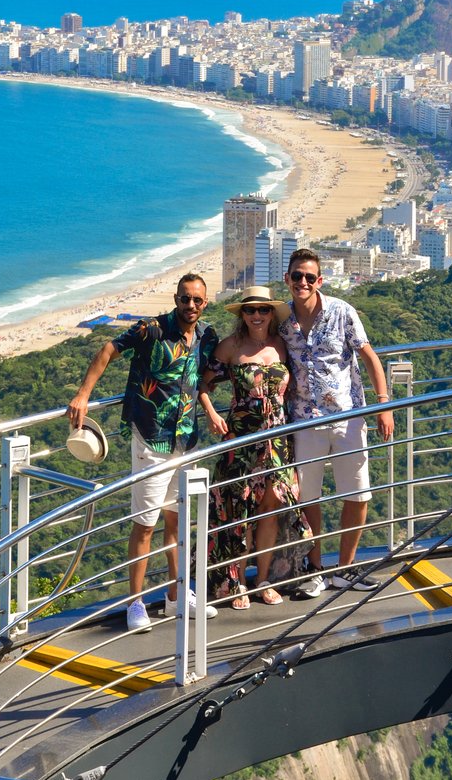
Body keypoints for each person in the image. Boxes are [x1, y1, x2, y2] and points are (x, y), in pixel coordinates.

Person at [67, 272, 219, 633]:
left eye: (197, 300)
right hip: (151, 440)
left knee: (176, 523)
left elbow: (201, 380)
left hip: (185, 440)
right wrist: (83, 394)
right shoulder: (151, 329)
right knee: (144, 525)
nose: (191, 306)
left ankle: (176, 595)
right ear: (176, 298)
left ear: (205, 302)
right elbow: (108, 350)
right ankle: (134, 602)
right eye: (185, 299)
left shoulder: (205, 337)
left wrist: (212, 410)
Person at [279, 248, 394, 595]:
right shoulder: (281, 321)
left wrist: (384, 404)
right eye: (297, 276)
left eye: (309, 277)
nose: (303, 282)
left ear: (319, 281)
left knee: (358, 494)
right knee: (308, 498)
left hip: (348, 416)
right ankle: (315, 569)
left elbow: (368, 356)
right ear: (287, 279)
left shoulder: (342, 311)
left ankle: (345, 568)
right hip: (304, 420)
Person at [198, 287, 312, 609]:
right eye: (250, 311)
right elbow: (203, 382)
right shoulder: (231, 347)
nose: (257, 315)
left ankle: (262, 579)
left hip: (277, 438)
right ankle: (237, 583)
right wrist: (212, 414)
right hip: (242, 440)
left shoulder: (282, 345)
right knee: (239, 511)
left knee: (270, 508)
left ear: (271, 313)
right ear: (242, 315)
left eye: (263, 309)